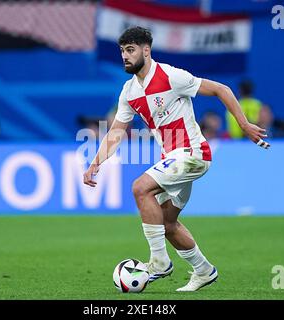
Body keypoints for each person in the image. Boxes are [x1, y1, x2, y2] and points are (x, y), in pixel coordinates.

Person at [82, 26, 270, 292]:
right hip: (173, 157)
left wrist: (245, 124)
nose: (125, 56)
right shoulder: (129, 92)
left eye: (131, 50)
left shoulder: (171, 76)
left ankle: (159, 263)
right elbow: (115, 132)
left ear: (146, 50)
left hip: (192, 153)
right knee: (166, 222)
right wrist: (95, 163)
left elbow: (221, 89)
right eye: (122, 51)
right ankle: (204, 271)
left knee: (139, 188)